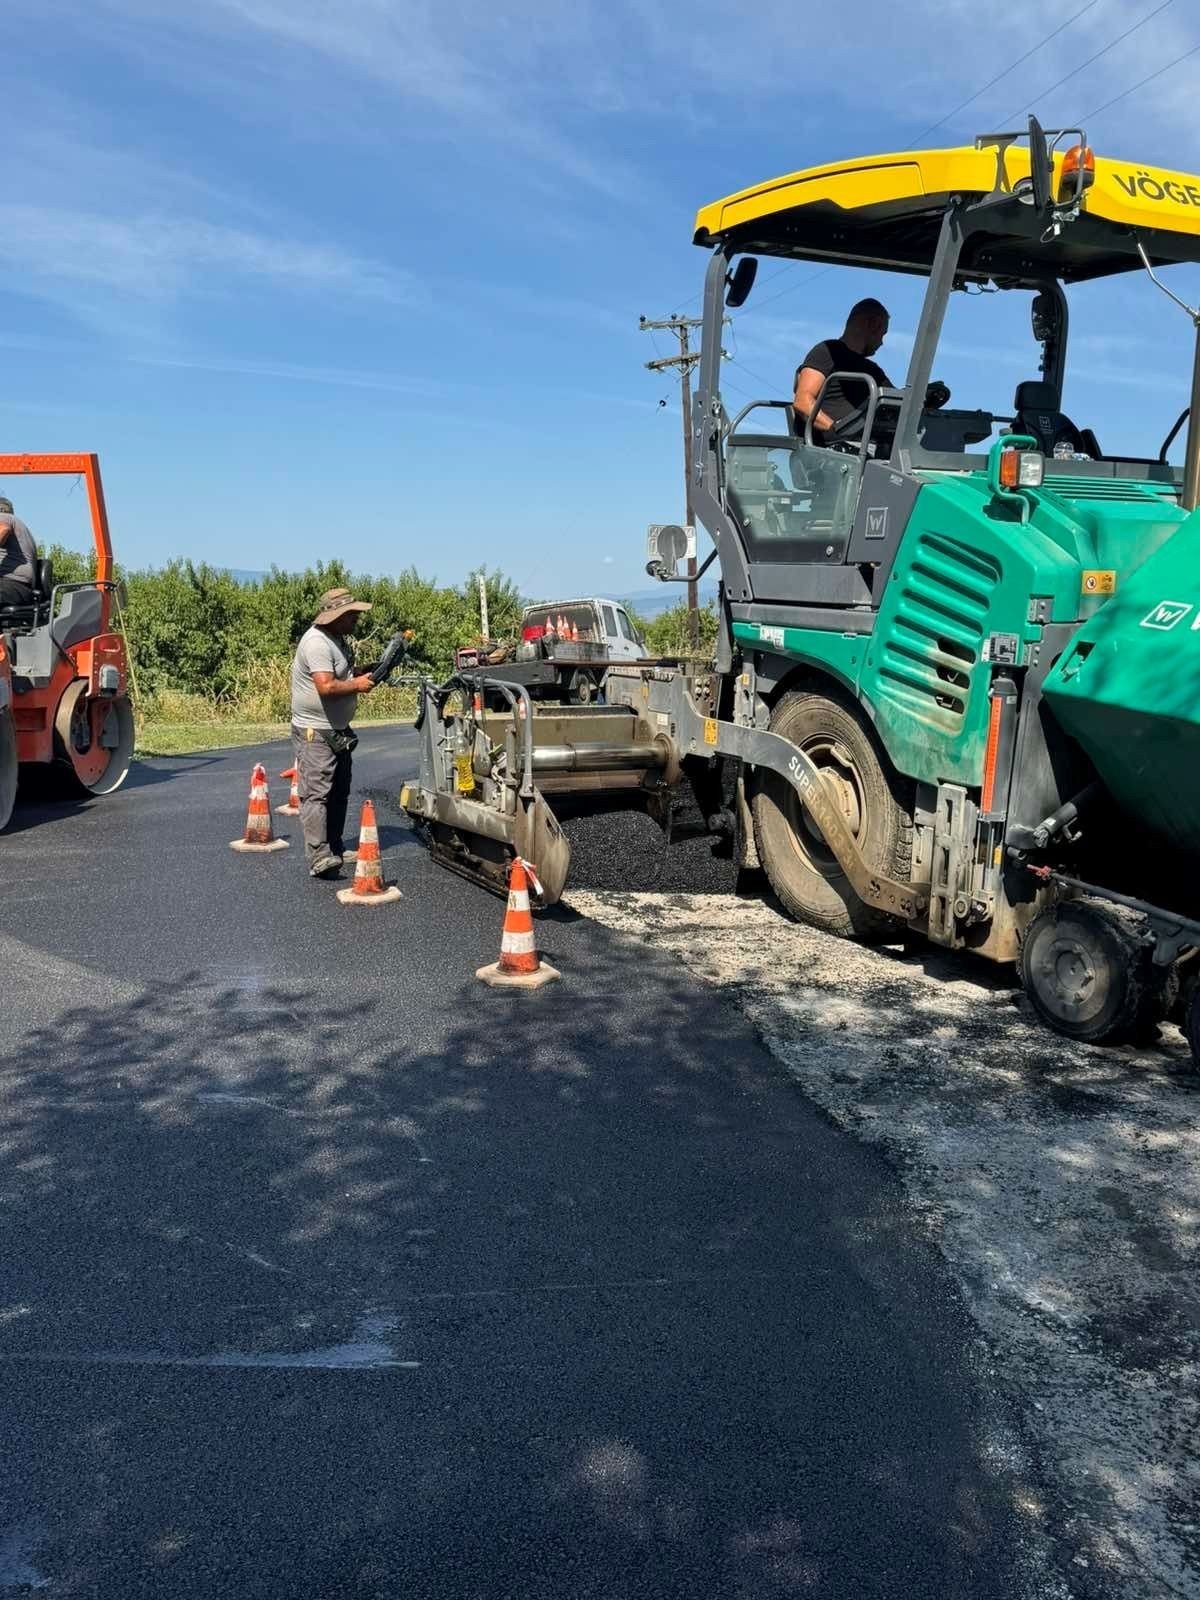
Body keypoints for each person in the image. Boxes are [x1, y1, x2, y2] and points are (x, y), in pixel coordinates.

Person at [291, 586, 377, 877]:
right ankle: (319, 856)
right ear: (335, 616)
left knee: (339, 790)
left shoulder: (337, 639)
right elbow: (326, 687)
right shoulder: (316, 643)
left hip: (337, 728)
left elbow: (340, 675)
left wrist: (363, 672)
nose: (356, 619)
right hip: (316, 731)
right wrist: (357, 685)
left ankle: (335, 847)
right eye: (351, 614)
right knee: (317, 794)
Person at [793, 298, 893, 443]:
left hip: (866, 447)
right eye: (882, 334)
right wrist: (838, 432)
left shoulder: (874, 371)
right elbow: (802, 402)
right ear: (872, 324)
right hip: (831, 451)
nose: (881, 342)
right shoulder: (827, 352)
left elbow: (895, 401)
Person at [0, 495, 39, 607]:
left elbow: (3, 530)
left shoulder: (4, 517)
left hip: (14, 584)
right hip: (19, 586)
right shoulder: (19, 525)